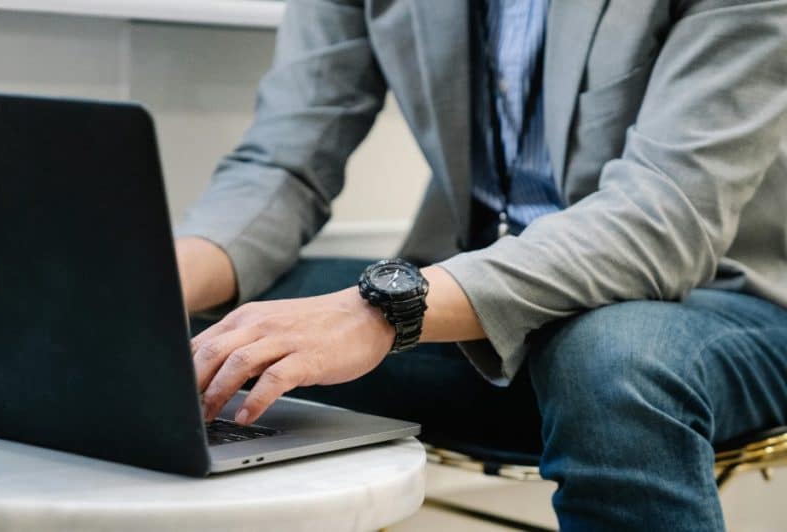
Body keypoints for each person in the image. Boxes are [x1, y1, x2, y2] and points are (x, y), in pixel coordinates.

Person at [173, 1, 787, 530]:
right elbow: (285, 162)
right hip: (488, 299)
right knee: (212, 326)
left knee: (609, 358)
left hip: (721, 301)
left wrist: (387, 310)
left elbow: (663, 219)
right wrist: (153, 282)